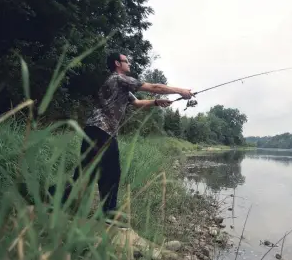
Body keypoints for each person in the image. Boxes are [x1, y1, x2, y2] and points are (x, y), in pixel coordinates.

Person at [50, 52, 193, 224]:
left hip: (95, 131)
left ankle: (52, 197)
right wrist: (181, 91)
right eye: (127, 61)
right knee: (112, 171)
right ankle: (109, 213)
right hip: (102, 131)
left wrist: (156, 103)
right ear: (118, 63)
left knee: (84, 174)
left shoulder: (122, 86)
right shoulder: (118, 79)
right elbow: (154, 87)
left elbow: (138, 103)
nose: (129, 64)